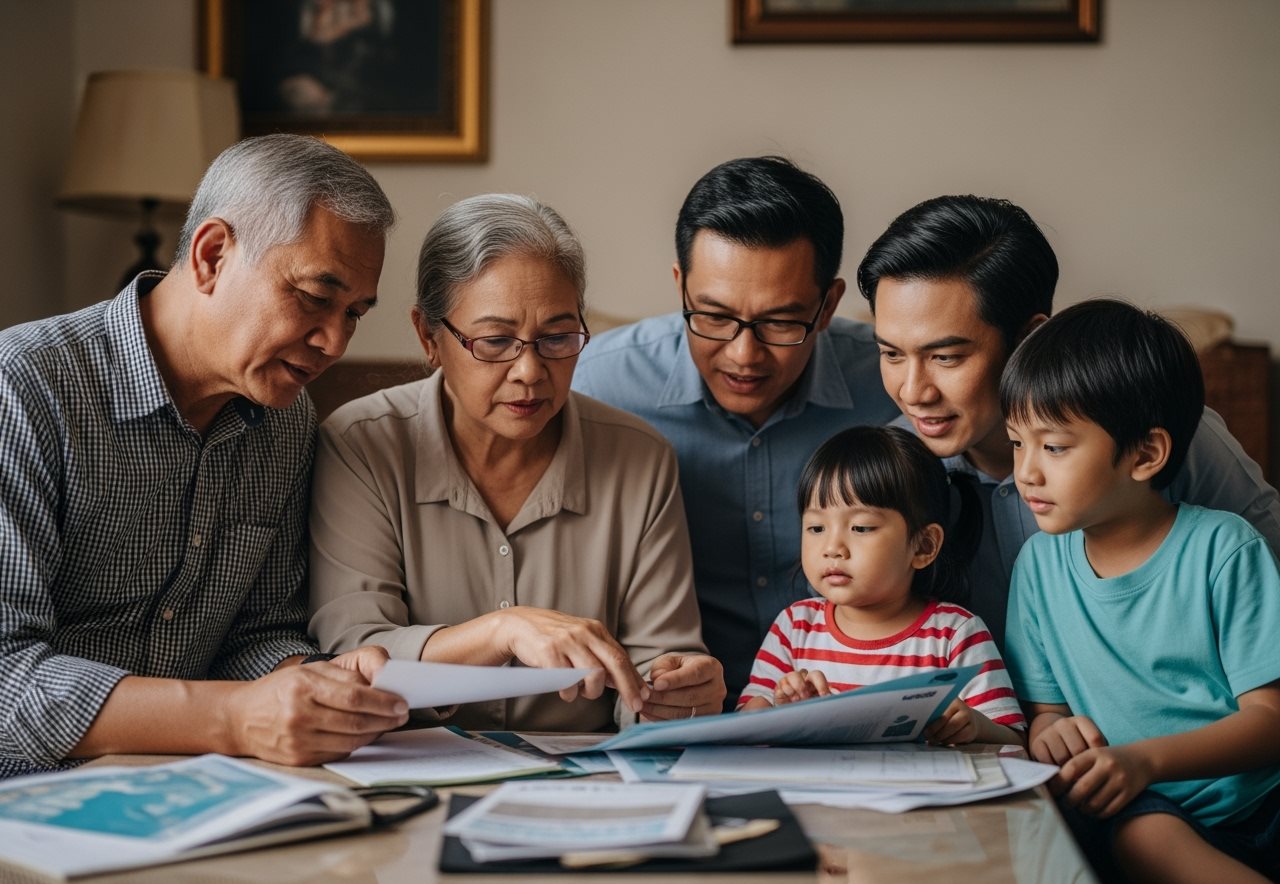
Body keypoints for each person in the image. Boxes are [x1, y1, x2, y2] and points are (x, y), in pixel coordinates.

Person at [0, 134, 408, 778]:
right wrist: (236, 716)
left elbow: (256, 633)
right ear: (213, 255)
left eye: (354, 312)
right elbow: (4, 677)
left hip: (195, 792)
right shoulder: (23, 389)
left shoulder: (285, 420)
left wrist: (320, 684)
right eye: (313, 296)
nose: (335, 342)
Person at [308, 193, 724, 732]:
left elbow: (658, 664)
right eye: (496, 341)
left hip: (585, 784)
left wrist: (677, 692)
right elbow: (355, 654)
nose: (529, 370)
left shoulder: (640, 460)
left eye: (556, 337)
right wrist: (501, 631)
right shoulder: (361, 446)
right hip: (409, 772)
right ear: (428, 337)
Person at [858, 194, 1280, 649]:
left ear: (1029, 337)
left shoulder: (1162, 435)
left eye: (946, 357)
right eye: (892, 354)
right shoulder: (888, 468)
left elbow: (1268, 581)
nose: (913, 392)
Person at [573, 157, 898, 706]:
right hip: (668, 711)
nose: (744, 355)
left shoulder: (895, 385)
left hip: (855, 709)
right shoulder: (594, 385)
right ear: (680, 287)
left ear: (828, 306)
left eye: (780, 322)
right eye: (714, 316)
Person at [1001, 300, 1280, 884]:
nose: (1026, 471)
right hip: (1146, 811)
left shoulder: (1223, 549)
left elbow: (1271, 720)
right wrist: (1050, 733)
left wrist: (1145, 759)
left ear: (1146, 454)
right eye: (1017, 443)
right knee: (1142, 838)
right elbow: (1045, 711)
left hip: (1263, 799)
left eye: (1053, 447)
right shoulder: (1038, 567)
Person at [736, 426, 1024, 746]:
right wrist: (781, 708)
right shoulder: (793, 628)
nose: (832, 547)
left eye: (861, 527)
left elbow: (1012, 739)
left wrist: (975, 726)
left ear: (923, 546)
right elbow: (749, 717)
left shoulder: (955, 635)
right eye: (816, 527)